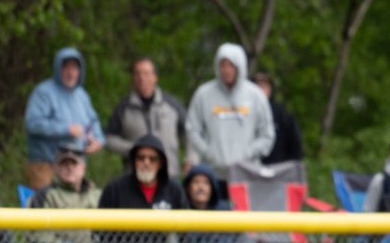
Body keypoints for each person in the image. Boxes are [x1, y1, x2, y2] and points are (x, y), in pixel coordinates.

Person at [185, 43, 275, 182]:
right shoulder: (203, 94)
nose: (226, 70)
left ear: (240, 66)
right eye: (223, 65)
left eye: (231, 65)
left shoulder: (256, 96)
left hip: (247, 174)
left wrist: (246, 154)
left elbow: (267, 135)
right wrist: (209, 153)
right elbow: (192, 129)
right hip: (212, 173)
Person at [24, 47, 106, 191]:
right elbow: (33, 123)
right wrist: (66, 129)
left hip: (75, 166)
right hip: (46, 165)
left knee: (77, 208)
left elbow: (93, 123)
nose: (70, 72)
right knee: (45, 209)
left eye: (74, 68)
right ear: (58, 69)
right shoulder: (44, 92)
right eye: (66, 67)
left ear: (80, 72)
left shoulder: (82, 96)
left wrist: (98, 140)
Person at [28, 147, 101, 243]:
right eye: (64, 164)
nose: (69, 168)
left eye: (74, 164)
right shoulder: (44, 196)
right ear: (55, 169)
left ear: (83, 168)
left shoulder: (97, 195)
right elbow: (38, 233)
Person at [105, 57, 187, 181]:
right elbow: (109, 139)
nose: (142, 78)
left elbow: (190, 133)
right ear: (133, 78)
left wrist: (191, 159)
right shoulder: (123, 108)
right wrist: (133, 149)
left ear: (155, 78)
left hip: (169, 175)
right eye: (137, 74)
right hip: (135, 178)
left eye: (147, 74)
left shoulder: (172, 105)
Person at [251, 71, 304, 165]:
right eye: (257, 86)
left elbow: (295, 145)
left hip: (277, 171)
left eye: (264, 86)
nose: (260, 90)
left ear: (271, 89)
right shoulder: (243, 113)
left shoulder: (282, 114)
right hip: (248, 170)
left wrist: (290, 168)